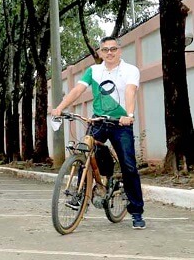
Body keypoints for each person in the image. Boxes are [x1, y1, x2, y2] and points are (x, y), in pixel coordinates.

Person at [52, 35, 146, 229]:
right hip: (98, 121)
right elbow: (78, 90)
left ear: (120, 51)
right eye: (105, 50)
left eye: (113, 49)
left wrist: (129, 114)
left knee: (128, 165)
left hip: (121, 123)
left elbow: (130, 91)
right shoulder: (93, 71)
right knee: (83, 155)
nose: (109, 53)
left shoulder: (130, 70)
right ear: (100, 53)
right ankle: (79, 197)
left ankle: (136, 211)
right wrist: (60, 108)